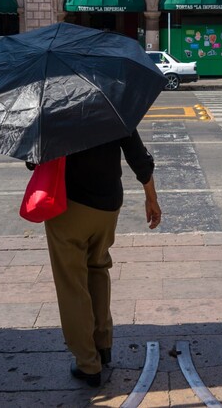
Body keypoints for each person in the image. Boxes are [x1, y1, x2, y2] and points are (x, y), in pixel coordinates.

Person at [44, 130, 161, 387]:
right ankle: (103, 344)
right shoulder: (113, 106)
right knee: (98, 267)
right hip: (108, 205)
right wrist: (151, 198)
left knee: (72, 283)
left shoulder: (54, 110)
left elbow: (36, 159)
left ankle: (88, 363)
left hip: (69, 206)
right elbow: (139, 158)